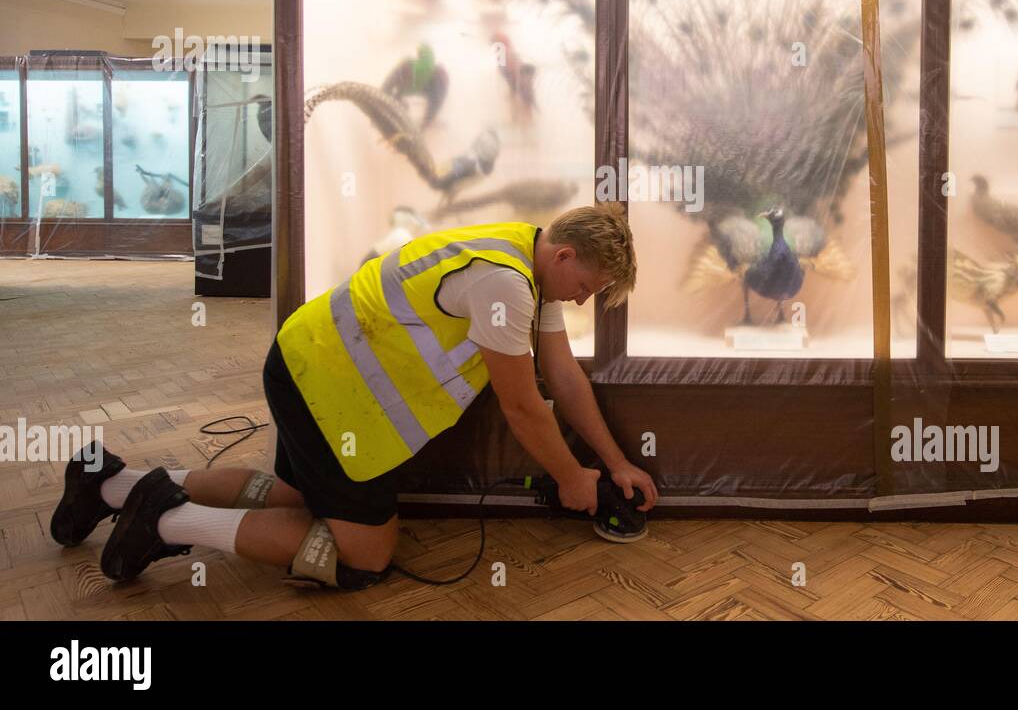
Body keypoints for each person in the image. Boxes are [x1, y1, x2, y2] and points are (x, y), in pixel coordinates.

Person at [51, 202, 657, 590]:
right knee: (365, 557)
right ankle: (165, 517)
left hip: (309, 368)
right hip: (328, 393)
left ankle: (108, 483)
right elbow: (524, 406)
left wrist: (613, 463)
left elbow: (566, 380)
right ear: (565, 255)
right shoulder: (507, 283)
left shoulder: (522, 257)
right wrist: (573, 479)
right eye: (586, 287)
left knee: (293, 497)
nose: (582, 301)